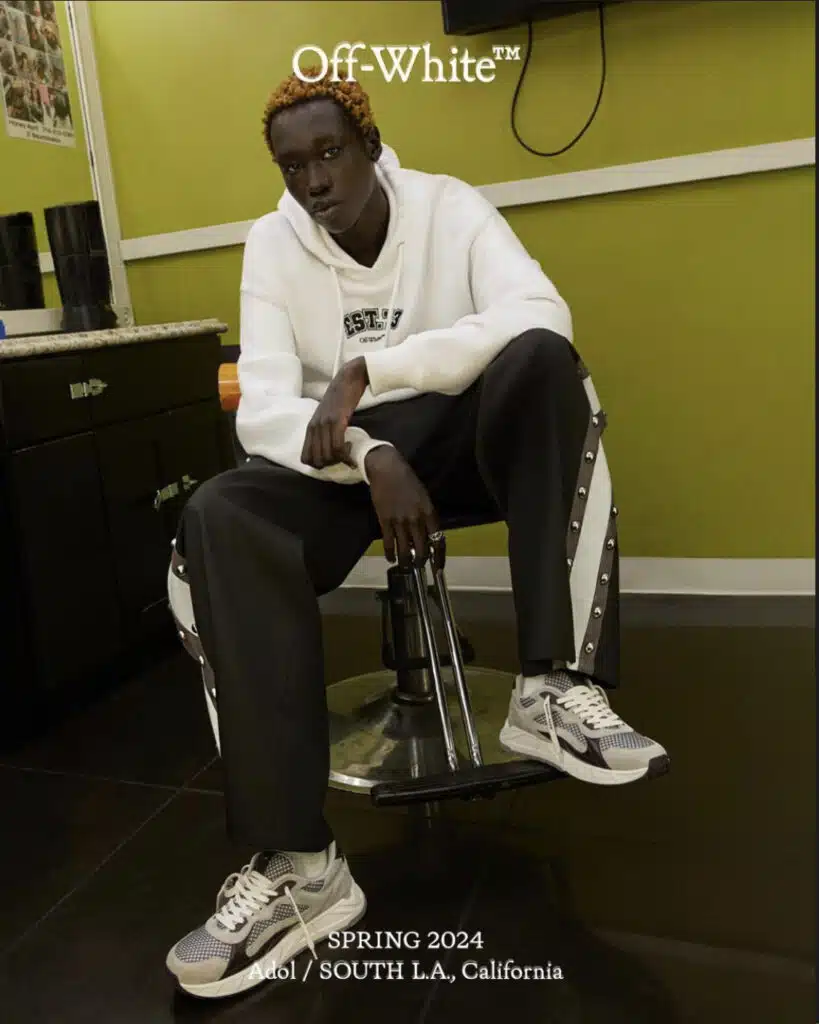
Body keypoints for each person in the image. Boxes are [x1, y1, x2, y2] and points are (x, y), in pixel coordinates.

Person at [165, 67, 669, 999]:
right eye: (292, 166)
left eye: (328, 153)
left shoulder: (449, 207)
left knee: (544, 363)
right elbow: (264, 407)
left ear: (368, 145)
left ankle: (553, 686)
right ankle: (301, 866)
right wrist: (364, 449)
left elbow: (536, 312)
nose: (314, 181)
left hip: (458, 449)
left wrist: (368, 368)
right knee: (216, 516)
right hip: (344, 465)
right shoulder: (271, 246)